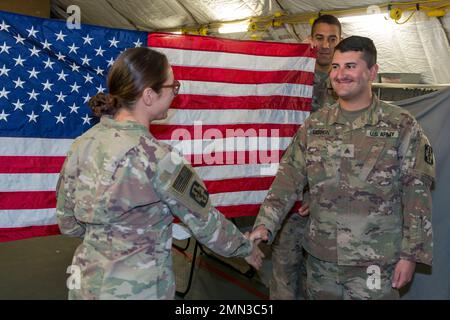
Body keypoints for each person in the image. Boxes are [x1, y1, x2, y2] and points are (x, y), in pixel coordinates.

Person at [56, 47, 264, 300]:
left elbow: (68, 224)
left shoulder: (81, 144)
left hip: (85, 285)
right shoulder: (159, 158)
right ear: (148, 95)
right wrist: (245, 247)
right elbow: (207, 225)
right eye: (172, 87)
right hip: (138, 291)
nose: (175, 93)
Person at [254, 36, 435, 299]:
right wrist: (265, 224)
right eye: (336, 67)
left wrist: (411, 255)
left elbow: (417, 196)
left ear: (372, 71)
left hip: (375, 261)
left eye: (350, 66)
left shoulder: (401, 125)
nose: (340, 74)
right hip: (321, 261)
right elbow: (288, 178)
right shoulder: (315, 125)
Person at [269, 14, 341, 300]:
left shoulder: (345, 81)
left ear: (339, 40)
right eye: (319, 38)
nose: (325, 45)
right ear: (310, 39)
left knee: (321, 279)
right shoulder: (293, 74)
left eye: (332, 39)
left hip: (326, 198)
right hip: (291, 192)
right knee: (284, 270)